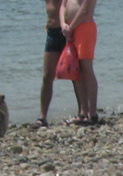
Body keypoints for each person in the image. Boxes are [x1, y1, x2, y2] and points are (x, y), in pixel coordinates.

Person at [33, 0, 80, 129]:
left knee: (74, 75)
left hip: (67, 31)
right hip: (52, 34)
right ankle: (42, 117)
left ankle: (82, 113)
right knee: (47, 76)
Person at [60, 0, 98, 125]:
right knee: (76, 69)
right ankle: (83, 111)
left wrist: (70, 27)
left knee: (86, 68)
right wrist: (63, 24)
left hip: (84, 25)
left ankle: (92, 113)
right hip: (70, 28)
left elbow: (84, 9)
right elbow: (63, 6)